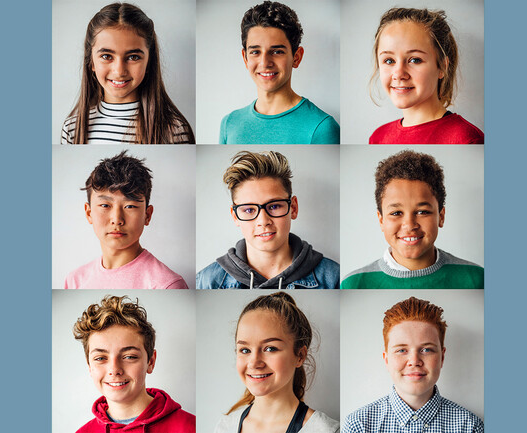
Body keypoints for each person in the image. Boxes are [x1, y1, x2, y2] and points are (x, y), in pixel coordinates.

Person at [196, 150, 339, 289]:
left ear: (293, 208)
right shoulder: (206, 281)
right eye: (249, 210)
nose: (263, 221)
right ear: (235, 217)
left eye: (274, 206)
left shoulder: (334, 278)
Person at [342, 150, 482, 289]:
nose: (409, 225)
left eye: (422, 212)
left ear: (441, 216)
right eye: (396, 213)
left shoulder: (477, 279)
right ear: (381, 220)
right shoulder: (354, 284)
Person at [343, 296, 483, 432]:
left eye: (426, 349)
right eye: (402, 350)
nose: (414, 361)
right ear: (386, 359)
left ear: (442, 357)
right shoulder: (358, 426)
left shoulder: (470, 427)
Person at [61, 2, 194, 144]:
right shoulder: (72, 129)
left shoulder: (174, 130)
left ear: (149, 61)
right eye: (106, 56)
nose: (119, 71)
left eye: (133, 57)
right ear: (91, 61)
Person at [214, 292, 339, 433]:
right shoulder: (224, 427)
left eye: (270, 348)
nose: (254, 363)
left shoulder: (325, 430)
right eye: (245, 350)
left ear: (300, 355)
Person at [65, 151, 188, 289]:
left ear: (147, 215)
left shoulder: (167, 285)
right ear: (89, 213)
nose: (117, 219)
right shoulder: (74, 281)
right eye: (105, 205)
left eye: (130, 206)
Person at [219, 1, 339, 144]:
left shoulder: (322, 128)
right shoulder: (229, 124)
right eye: (255, 52)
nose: (265, 63)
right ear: (245, 58)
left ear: (296, 57)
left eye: (277, 51)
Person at [73, 295, 195, 432]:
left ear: (151, 362)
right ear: (89, 366)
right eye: (100, 358)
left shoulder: (191, 427)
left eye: (129, 357)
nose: (114, 370)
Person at [368, 8, 483, 144]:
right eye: (389, 61)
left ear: (442, 67)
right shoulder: (378, 137)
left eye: (415, 60)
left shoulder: (466, 139)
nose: (399, 74)